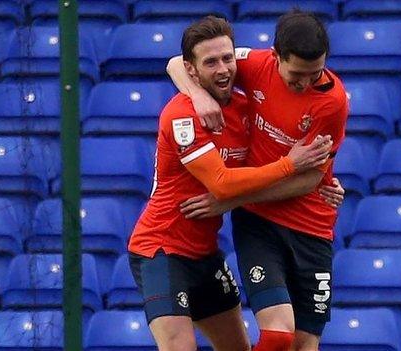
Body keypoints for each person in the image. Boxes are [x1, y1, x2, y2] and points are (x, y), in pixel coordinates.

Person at [128, 16, 340, 351]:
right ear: (192, 69)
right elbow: (224, 185)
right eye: (210, 62)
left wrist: (320, 179)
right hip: (162, 249)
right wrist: (290, 165)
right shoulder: (182, 116)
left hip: (206, 254)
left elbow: (270, 152)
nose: (224, 68)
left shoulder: (244, 107)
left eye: (228, 58)